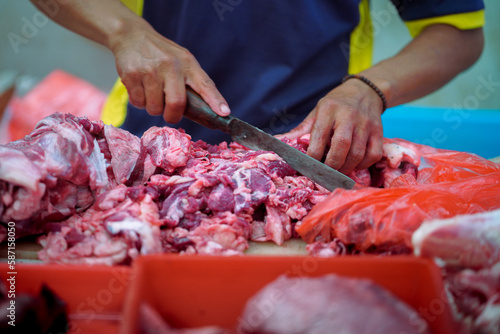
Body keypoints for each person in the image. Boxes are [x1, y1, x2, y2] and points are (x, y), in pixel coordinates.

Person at [31, 0, 484, 174]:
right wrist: (125, 31)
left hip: (313, 162)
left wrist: (369, 88)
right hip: (142, 161)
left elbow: (459, 32)